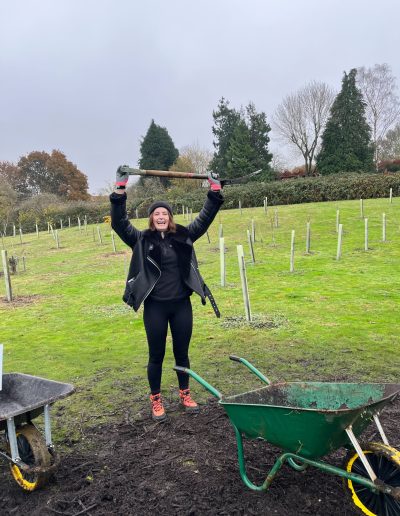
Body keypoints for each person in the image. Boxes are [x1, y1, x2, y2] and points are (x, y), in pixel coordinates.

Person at [110, 166, 224, 421]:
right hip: (156, 308)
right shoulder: (141, 240)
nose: (161, 216)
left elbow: (204, 218)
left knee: (182, 353)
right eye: (156, 213)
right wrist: (120, 189)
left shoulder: (184, 235)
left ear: (170, 217)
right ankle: (156, 399)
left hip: (181, 305)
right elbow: (119, 222)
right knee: (156, 355)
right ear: (151, 219)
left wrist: (214, 191)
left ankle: (185, 394)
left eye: (165, 213)